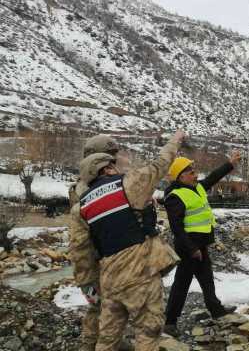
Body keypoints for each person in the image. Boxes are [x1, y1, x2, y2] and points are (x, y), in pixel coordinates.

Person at [72, 130, 184, 351]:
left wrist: (88, 286)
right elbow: (160, 163)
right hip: (139, 272)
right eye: (112, 162)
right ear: (105, 167)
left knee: (107, 339)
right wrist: (175, 140)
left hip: (108, 278)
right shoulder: (128, 184)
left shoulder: (80, 206)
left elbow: (80, 251)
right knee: (148, 331)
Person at [163, 151, 241, 337]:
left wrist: (229, 164)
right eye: (191, 172)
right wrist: (192, 249)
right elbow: (177, 228)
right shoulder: (175, 196)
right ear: (181, 176)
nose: (195, 174)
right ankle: (170, 322)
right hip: (188, 247)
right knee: (182, 284)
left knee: (207, 280)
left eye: (194, 171)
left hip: (201, 244)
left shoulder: (196, 187)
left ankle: (217, 311)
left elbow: (212, 178)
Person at [68, 134, 121, 351]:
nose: (114, 163)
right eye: (111, 157)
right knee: (100, 307)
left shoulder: (88, 185)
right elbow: (83, 240)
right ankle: (91, 345)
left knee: (104, 306)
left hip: (100, 259)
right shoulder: (86, 190)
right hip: (95, 261)